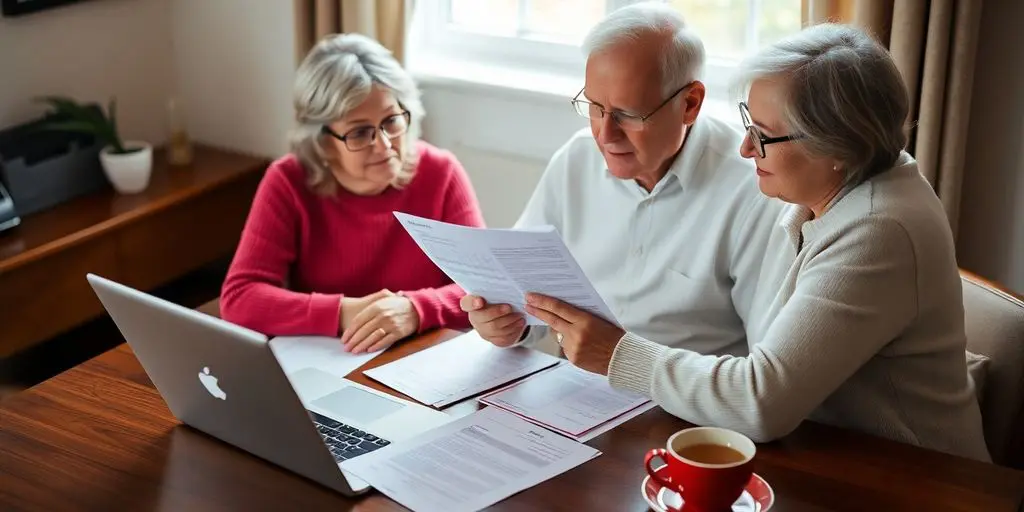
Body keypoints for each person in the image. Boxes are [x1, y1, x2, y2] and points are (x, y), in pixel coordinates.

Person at [523, 23, 991, 461]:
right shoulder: (825, 194)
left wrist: (618, 353)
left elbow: (761, 402)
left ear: (835, 146)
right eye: (748, 123)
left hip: (917, 479)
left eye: (763, 136)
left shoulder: (877, 230)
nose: (745, 149)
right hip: (829, 455)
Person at [461, 3, 782, 359]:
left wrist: (625, 361)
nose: (605, 135)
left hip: (686, 408)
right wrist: (509, 322)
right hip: (572, 388)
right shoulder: (576, 160)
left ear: (690, 103)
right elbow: (521, 290)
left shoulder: (753, 190)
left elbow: (764, 370)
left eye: (628, 114)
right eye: (595, 107)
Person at [220, 33, 485, 354]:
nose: (385, 144)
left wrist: (415, 309)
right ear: (322, 140)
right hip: (326, 356)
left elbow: (484, 287)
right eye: (360, 132)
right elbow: (240, 298)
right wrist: (348, 312)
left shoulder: (441, 172)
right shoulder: (288, 180)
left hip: (423, 355)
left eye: (391, 121)